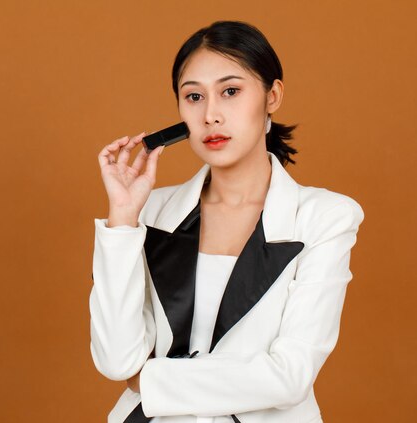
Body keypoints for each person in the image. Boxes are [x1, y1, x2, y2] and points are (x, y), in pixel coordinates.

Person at [89, 21, 365, 423]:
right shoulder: (148, 212)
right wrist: (123, 218)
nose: (211, 115)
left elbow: (288, 378)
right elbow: (117, 361)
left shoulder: (325, 217)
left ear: (272, 95)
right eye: (194, 96)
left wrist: (147, 381)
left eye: (230, 91)